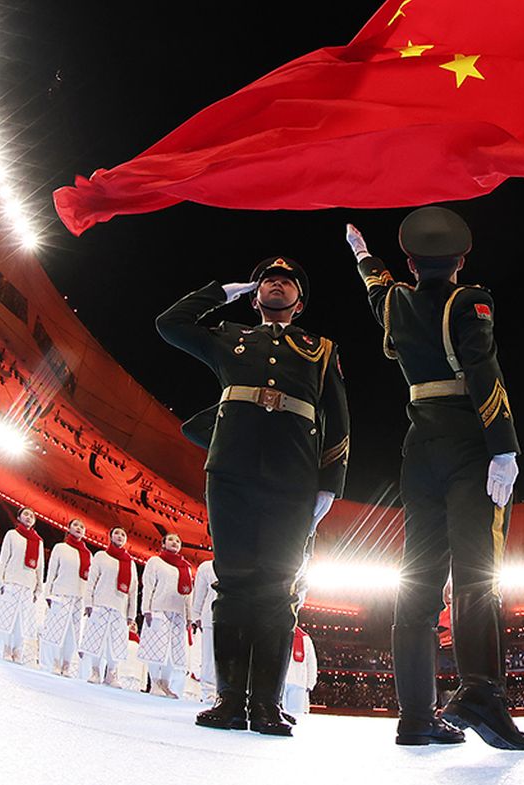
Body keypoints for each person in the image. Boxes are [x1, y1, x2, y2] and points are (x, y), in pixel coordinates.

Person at [349, 207, 524, 750]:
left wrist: (362, 255)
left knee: (419, 577)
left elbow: (378, 289)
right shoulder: (470, 301)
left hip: (418, 447)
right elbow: (483, 371)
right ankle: (479, 694)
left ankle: (417, 716)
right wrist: (504, 447)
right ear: (461, 260)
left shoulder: (396, 303)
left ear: (410, 261)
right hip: (468, 442)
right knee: (479, 571)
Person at [157, 257, 350, 737]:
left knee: (279, 589)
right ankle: (229, 702)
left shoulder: (321, 349)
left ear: (299, 303)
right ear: (255, 292)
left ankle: (265, 704)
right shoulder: (228, 338)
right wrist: (223, 291)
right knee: (234, 582)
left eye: (286, 281)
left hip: (294, 477)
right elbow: (170, 325)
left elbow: (339, 419)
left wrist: (330, 484)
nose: (275, 282)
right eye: (267, 279)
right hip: (232, 472)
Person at [139, 533, 195, 697]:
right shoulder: (155, 562)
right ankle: (155, 682)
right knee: (156, 648)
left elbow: (188, 594)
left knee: (173, 651)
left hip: (178, 614)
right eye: (171, 539)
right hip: (158, 610)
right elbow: (148, 586)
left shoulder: (185, 566)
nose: (174, 542)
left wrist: (189, 616)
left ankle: (165, 683)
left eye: (178, 541)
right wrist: (146, 610)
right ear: (163, 544)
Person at [85, 527, 139, 687]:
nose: (120, 536)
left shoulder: (130, 563)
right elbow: (92, 581)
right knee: (96, 639)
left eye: (123, 534)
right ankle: (95, 671)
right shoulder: (101, 556)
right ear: (110, 536)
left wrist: (131, 614)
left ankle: (111, 674)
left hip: (120, 608)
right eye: (117, 533)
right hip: (100, 604)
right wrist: (88, 603)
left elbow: (133, 590)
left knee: (115, 643)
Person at [0, 508, 45, 663]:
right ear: (19, 517)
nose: (29, 517)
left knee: (22, 622)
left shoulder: (38, 541)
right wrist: (1, 580)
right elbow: (4, 558)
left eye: (32, 516)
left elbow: (40, 566)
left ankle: (17, 650)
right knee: (8, 619)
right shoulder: (12, 535)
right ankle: (6, 649)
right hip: (11, 582)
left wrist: (38, 587)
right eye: (26, 514)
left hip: (28, 586)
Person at [42, 518, 94, 676]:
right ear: (69, 528)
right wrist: (48, 594)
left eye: (82, 526)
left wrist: (88, 601)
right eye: (76, 525)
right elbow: (52, 571)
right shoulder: (61, 547)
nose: (79, 528)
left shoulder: (88, 553)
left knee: (73, 634)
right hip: (61, 593)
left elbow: (89, 580)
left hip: (79, 597)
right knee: (55, 630)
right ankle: (51, 663)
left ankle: (66, 664)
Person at [191, 554, 219, 702]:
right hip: (210, 617)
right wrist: (196, 615)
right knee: (209, 657)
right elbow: (199, 593)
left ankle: (225, 693)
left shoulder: (239, 567)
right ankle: (208, 691)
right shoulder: (206, 567)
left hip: (234, 619)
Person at [284, 626, 317, 720]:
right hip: (281, 683)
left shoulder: (305, 639)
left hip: (299, 683)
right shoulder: (277, 633)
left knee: (298, 717)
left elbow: (311, 662)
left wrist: (310, 684)